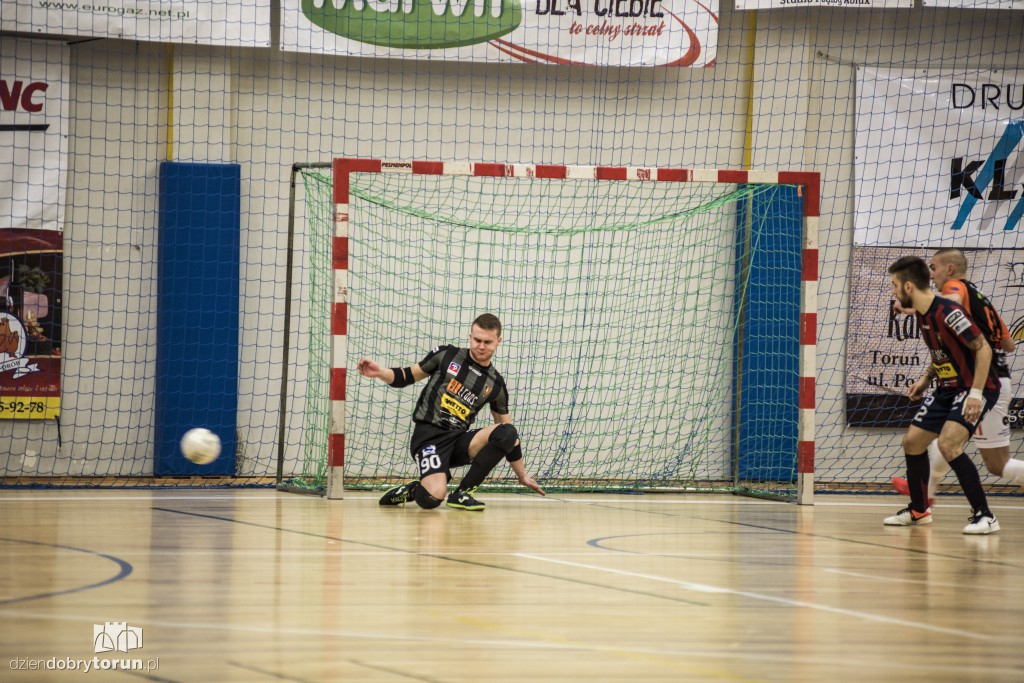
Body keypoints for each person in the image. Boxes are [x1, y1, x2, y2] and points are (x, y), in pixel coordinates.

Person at [358, 313, 546, 511]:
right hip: (428, 438)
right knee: (432, 498)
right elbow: (407, 375)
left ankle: (462, 493)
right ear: (470, 336)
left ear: (498, 341)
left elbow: (511, 437)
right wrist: (380, 372)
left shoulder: (495, 383)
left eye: (487, 342)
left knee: (507, 431)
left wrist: (522, 476)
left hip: (458, 441)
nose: (481, 346)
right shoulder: (446, 355)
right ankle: (413, 490)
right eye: (477, 340)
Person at [891, 248, 1024, 506]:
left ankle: (927, 493)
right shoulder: (980, 297)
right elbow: (1008, 344)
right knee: (943, 441)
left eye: (933, 267)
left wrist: (916, 308)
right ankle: (924, 494)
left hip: (984, 379)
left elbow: (951, 302)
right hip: (988, 376)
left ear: (949, 269)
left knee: (995, 463)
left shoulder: (954, 288)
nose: (931, 274)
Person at [884, 256, 1000, 534]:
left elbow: (983, 349)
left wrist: (974, 394)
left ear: (908, 287)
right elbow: (942, 354)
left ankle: (985, 516)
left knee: (949, 445)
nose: (893, 292)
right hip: (948, 388)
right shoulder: (924, 315)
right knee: (912, 442)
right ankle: (919, 511)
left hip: (977, 387)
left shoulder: (948, 311)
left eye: (894, 285)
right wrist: (925, 380)